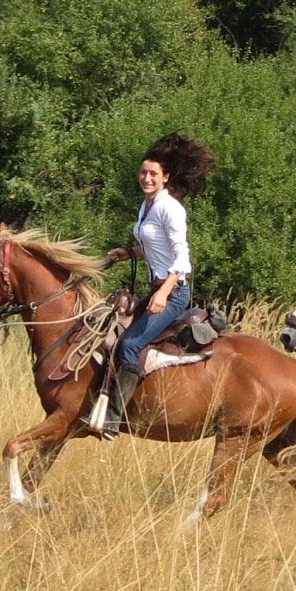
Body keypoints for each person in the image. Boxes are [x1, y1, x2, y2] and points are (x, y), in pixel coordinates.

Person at [95, 134, 213, 436]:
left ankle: (113, 418)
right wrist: (130, 253)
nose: (146, 178)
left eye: (153, 174)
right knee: (110, 331)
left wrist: (163, 292)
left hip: (173, 292)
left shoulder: (169, 208)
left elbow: (181, 257)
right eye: (143, 173)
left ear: (166, 177)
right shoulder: (146, 206)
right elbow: (155, 246)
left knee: (131, 343)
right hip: (158, 286)